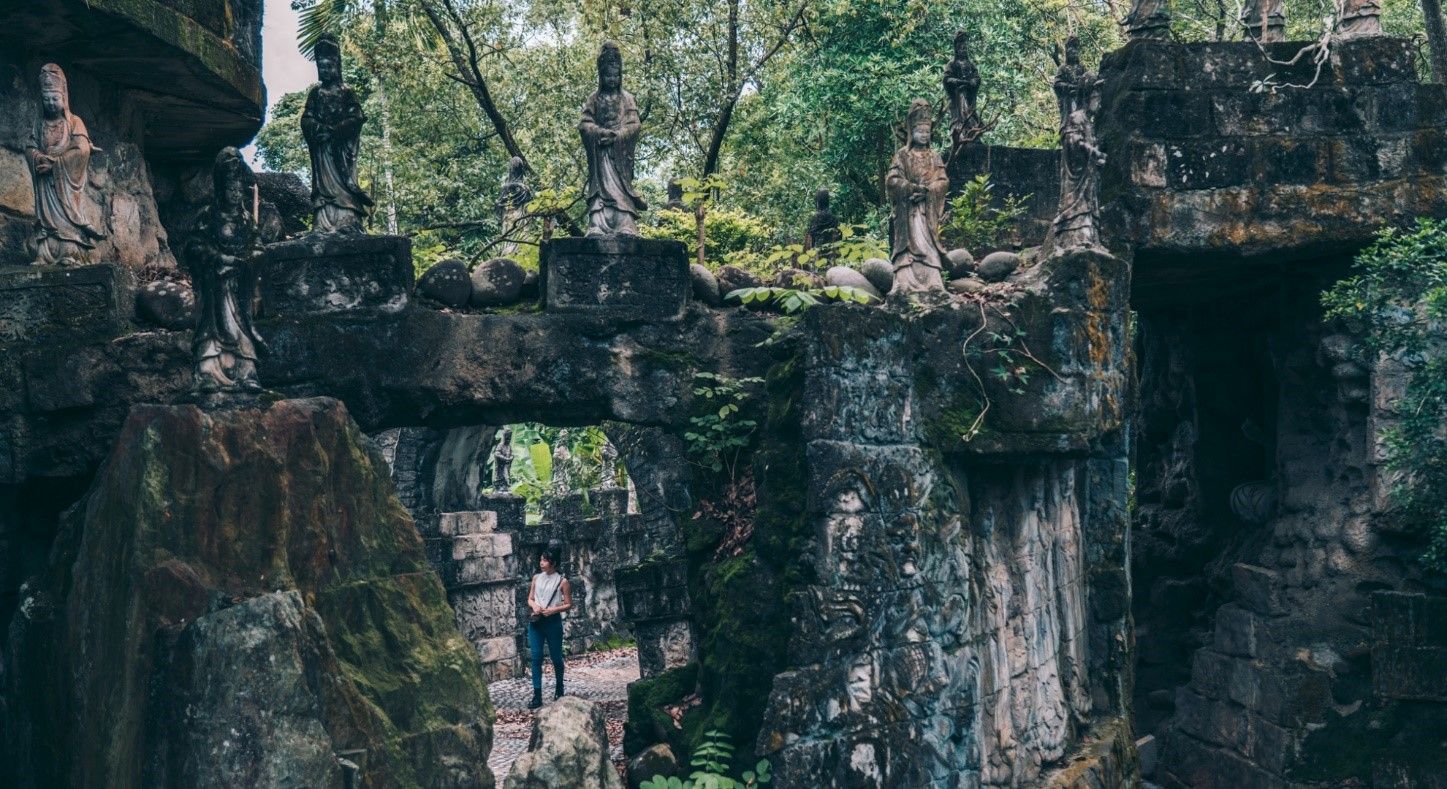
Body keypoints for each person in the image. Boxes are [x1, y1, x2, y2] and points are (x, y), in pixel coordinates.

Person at [526, 546, 572, 709]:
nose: (541, 562)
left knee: (556, 658)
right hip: (536, 621)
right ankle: (537, 694)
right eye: (541, 559)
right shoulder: (536, 578)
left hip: (553, 623)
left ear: (553, 563)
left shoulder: (562, 581)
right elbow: (530, 599)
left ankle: (559, 688)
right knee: (536, 658)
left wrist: (553, 609)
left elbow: (568, 604)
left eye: (545, 560)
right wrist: (535, 606)